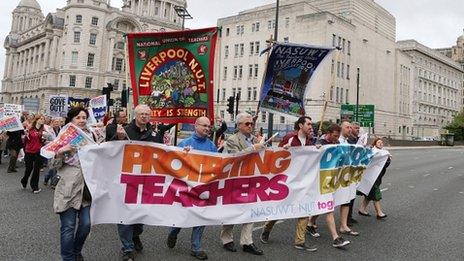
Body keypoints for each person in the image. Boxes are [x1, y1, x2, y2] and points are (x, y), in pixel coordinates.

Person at [112, 104, 167, 261]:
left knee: (140, 218)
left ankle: (135, 235)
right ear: (135, 115)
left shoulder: (155, 133)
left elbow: (163, 153)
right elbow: (110, 151)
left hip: (146, 183)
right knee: (124, 216)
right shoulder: (124, 131)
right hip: (126, 182)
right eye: (141, 114)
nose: (144, 116)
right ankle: (127, 248)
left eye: (147, 114)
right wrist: (118, 139)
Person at [260, 116, 319, 251]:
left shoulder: (310, 141)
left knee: (305, 209)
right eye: (308, 124)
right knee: (281, 209)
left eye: (311, 124)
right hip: (288, 181)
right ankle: (267, 228)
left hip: (304, 181)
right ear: (300, 125)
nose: (311, 126)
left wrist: (317, 150)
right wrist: (284, 149)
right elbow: (276, 156)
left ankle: (300, 241)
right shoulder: (290, 138)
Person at [166, 116, 217, 260]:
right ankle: (173, 232)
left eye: (209, 126)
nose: (207, 128)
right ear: (196, 126)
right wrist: (184, 155)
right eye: (204, 126)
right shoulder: (185, 144)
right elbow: (174, 164)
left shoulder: (211, 146)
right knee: (184, 216)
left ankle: (196, 247)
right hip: (186, 188)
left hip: (203, 188)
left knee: (200, 217)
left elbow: (216, 165)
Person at [53, 106, 95, 261]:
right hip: (68, 188)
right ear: (71, 120)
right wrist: (60, 152)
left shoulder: (91, 135)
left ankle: (76, 251)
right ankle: (68, 258)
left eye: (84, 117)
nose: (82, 120)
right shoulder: (63, 136)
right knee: (68, 227)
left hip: (86, 188)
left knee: (86, 225)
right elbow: (54, 166)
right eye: (78, 117)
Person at [220, 112, 265, 256]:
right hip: (235, 181)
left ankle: (247, 242)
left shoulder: (254, 139)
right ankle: (227, 239)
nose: (250, 126)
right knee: (232, 212)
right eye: (247, 124)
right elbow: (233, 158)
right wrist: (253, 148)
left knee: (250, 211)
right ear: (239, 126)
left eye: (251, 123)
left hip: (251, 180)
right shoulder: (232, 140)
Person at [336, 121, 359, 236]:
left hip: (346, 175)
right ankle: (311, 222)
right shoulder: (337, 141)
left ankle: (343, 226)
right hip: (336, 175)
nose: (350, 129)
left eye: (351, 127)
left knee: (346, 200)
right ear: (341, 129)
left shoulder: (348, 142)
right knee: (328, 201)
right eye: (347, 127)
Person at [358, 138, 391, 219]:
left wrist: (387, 160)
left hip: (379, 175)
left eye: (382, 142)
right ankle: (379, 213)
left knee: (369, 193)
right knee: (376, 192)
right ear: (375, 143)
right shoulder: (373, 151)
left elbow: (386, 165)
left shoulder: (384, 152)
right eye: (379, 142)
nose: (380, 143)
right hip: (372, 176)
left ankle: (362, 209)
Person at [21, 114, 46, 193]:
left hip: (38, 151)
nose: (42, 120)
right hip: (29, 151)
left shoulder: (43, 129)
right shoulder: (30, 128)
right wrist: (25, 136)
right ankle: (24, 180)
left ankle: (35, 187)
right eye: (41, 119)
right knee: (29, 168)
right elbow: (25, 140)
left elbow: (41, 141)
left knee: (36, 170)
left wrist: (43, 139)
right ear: (37, 119)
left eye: (43, 119)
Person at [44, 118, 63, 186]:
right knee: (53, 167)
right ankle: (53, 183)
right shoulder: (48, 130)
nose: (57, 123)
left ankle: (47, 178)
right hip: (51, 150)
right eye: (56, 122)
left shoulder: (62, 130)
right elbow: (45, 141)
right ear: (52, 122)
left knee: (55, 167)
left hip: (58, 151)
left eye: (58, 122)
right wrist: (53, 142)